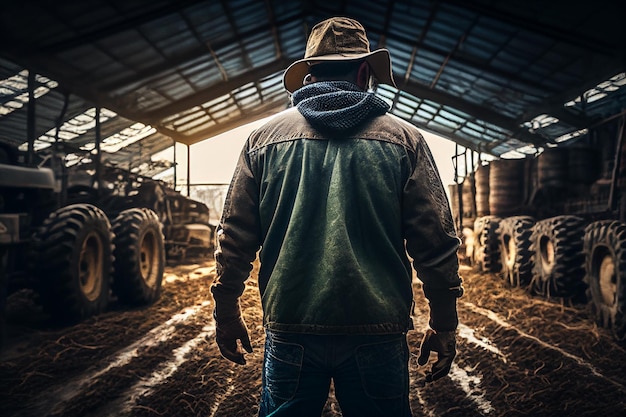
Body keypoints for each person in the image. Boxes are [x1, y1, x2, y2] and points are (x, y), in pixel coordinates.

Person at [210, 16, 463, 417]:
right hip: (376, 326)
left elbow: (235, 237)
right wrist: (444, 320)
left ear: (309, 73)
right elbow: (435, 242)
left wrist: (225, 310)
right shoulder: (405, 140)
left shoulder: (262, 141)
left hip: (292, 322)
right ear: (365, 71)